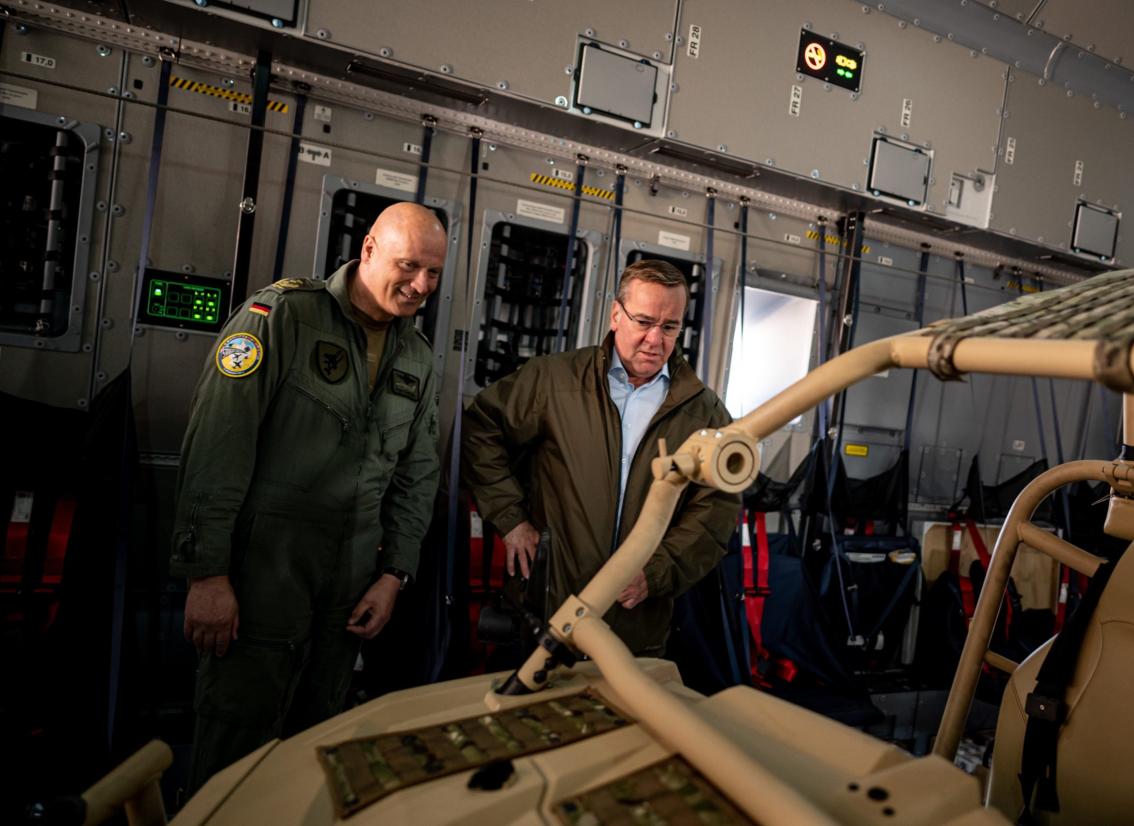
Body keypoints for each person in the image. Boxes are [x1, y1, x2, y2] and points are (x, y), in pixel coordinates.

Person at [170, 202, 445, 790]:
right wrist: (205, 574)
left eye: (434, 273)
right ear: (368, 249)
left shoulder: (417, 357)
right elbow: (218, 446)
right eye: (410, 265)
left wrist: (394, 574)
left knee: (313, 753)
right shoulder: (282, 316)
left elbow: (416, 477)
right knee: (233, 751)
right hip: (261, 581)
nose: (422, 284)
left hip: (347, 595)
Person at [462, 259, 739, 656]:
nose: (655, 340)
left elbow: (716, 510)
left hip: (635, 628)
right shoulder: (553, 381)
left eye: (669, 327)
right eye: (643, 321)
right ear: (615, 315)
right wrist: (510, 519)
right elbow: (481, 429)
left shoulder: (704, 412)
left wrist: (657, 571)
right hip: (548, 610)